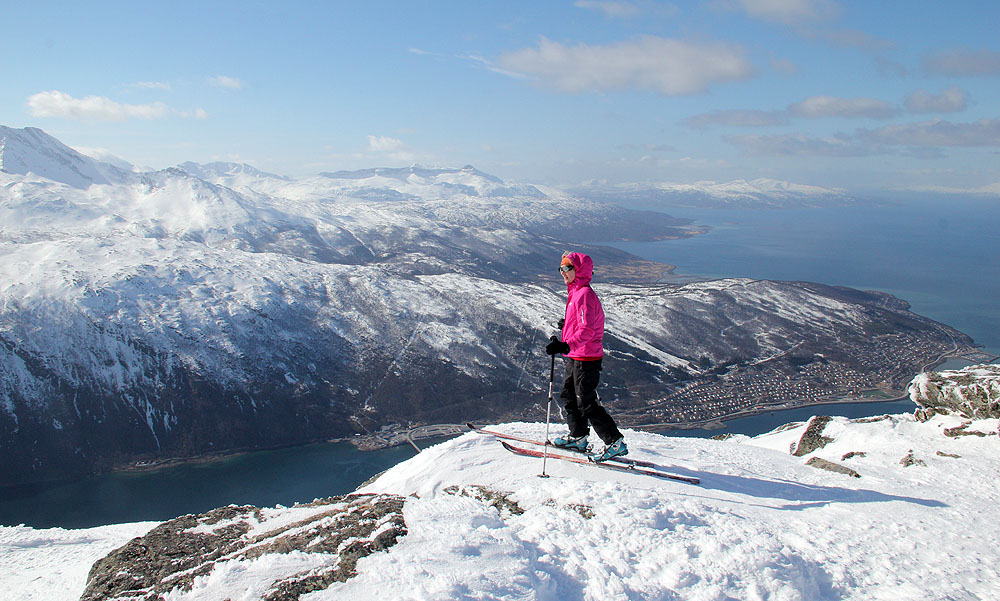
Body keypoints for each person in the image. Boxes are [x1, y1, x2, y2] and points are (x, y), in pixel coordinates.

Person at [545, 251, 627, 462]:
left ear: (578, 270)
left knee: (586, 401)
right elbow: (579, 324)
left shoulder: (584, 294)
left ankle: (614, 442)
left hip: (587, 358)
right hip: (577, 355)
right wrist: (566, 330)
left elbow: (588, 329)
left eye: (567, 268)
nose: (562, 272)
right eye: (561, 268)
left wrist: (565, 344)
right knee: (568, 394)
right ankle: (578, 436)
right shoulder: (575, 292)